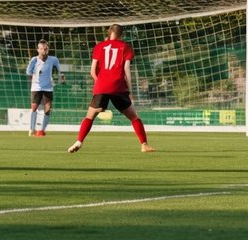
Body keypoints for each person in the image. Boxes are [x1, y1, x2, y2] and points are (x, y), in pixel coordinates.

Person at [68, 24, 154, 154]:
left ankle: (79, 141)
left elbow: (92, 71)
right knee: (134, 117)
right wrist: (130, 91)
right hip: (118, 86)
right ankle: (144, 145)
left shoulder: (99, 47)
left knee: (90, 116)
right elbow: (126, 70)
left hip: (101, 86)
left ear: (109, 33)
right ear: (121, 35)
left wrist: (100, 83)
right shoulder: (126, 47)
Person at [26, 39, 64, 136]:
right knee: (34, 107)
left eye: (46, 48)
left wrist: (61, 76)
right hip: (36, 87)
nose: (44, 50)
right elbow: (28, 72)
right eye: (42, 49)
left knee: (47, 108)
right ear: (38, 50)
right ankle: (32, 129)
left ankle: (42, 130)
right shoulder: (34, 60)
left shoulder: (53, 59)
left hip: (48, 87)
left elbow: (59, 69)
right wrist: (35, 73)